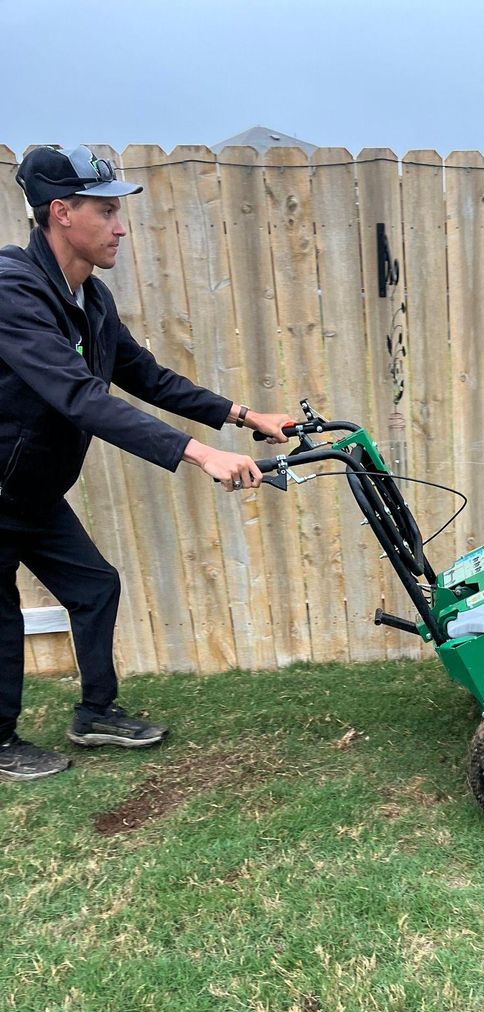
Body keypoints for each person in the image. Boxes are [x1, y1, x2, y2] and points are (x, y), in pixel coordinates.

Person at [0, 145, 294, 781]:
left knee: (94, 586)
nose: (120, 226)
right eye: (106, 211)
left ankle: (95, 714)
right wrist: (200, 454)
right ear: (60, 213)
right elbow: (79, 396)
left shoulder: (92, 301)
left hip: (30, 492)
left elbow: (147, 377)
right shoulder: (11, 291)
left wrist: (245, 416)